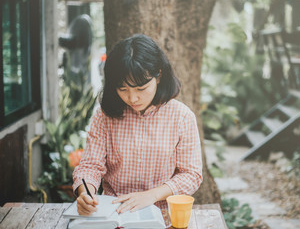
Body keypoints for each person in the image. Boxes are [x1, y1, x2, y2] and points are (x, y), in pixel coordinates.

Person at [72, 34, 203, 216]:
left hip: (163, 216)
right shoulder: (104, 116)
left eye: (141, 89)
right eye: (123, 89)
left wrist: (151, 195)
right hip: (112, 213)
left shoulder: (181, 117)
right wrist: (86, 193)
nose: (132, 98)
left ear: (158, 75)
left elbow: (191, 175)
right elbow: (90, 166)